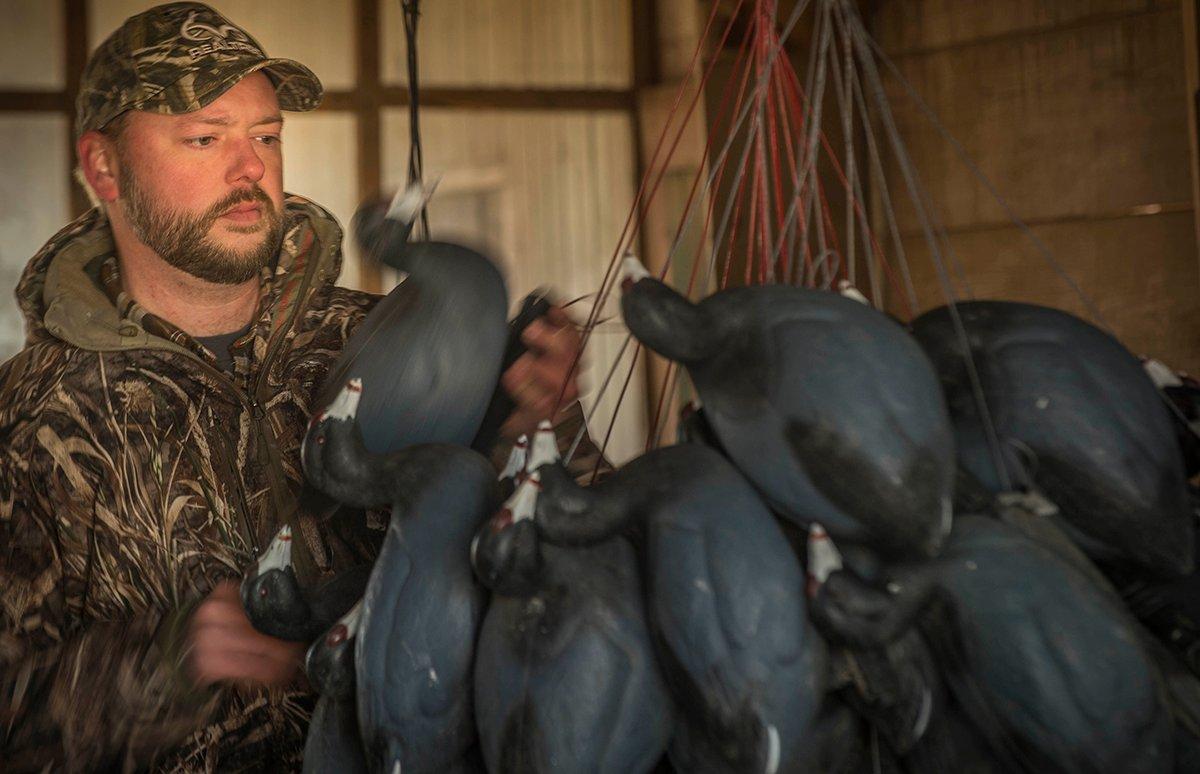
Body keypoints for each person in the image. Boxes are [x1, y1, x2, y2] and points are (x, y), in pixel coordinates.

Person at [0, 3, 599, 770]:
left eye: (267, 137)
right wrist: (160, 665)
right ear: (104, 168)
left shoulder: (392, 344)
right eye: (205, 137)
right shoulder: (27, 422)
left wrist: (547, 431)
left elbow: (568, 567)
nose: (250, 168)